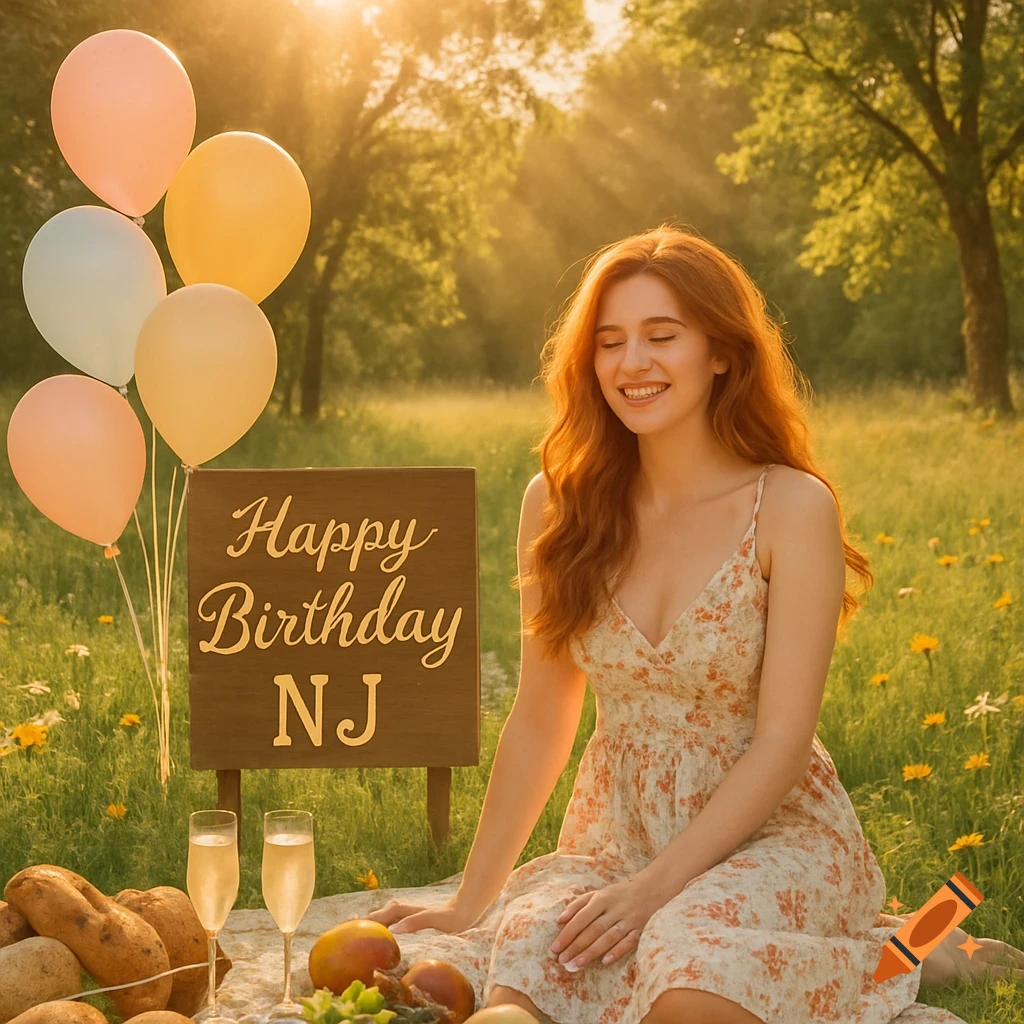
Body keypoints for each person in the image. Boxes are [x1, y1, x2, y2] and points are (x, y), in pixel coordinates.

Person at [366, 226, 1023, 1023]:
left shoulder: (789, 507)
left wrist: (655, 889)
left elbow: (783, 740)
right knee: (534, 963)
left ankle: (910, 954)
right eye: (610, 342)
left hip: (775, 834)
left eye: (661, 336)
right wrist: (473, 901)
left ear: (720, 351)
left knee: (686, 972)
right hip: (620, 833)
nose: (631, 363)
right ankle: (899, 945)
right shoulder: (557, 505)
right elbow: (542, 717)